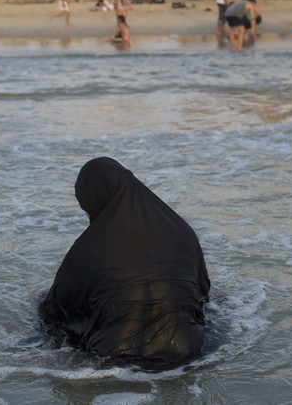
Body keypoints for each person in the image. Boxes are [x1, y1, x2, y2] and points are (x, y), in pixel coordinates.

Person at [40, 157, 210, 366]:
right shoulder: (183, 231)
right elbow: (202, 292)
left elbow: (57, 311)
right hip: (188, 349)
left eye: (86, 205)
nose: (87, 213)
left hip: (116, 358)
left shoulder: (89, 248)